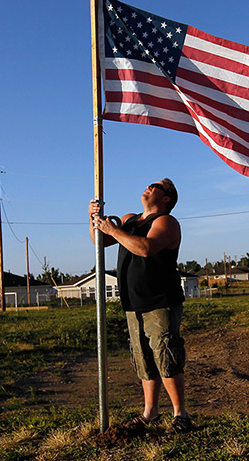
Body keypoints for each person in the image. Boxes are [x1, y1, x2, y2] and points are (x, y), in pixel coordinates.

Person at [88, 178, 193, 434]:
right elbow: (99, 242)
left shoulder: (166, 222)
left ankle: (180, 415)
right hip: (132, 303)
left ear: (167, 198)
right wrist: (93, 219)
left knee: (165, 355)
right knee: (143, 358)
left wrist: (112, 230)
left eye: (155, 186)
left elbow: (145, 248)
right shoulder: (129, 220)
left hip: (160, 301)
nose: (149, 187)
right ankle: (150, 412)